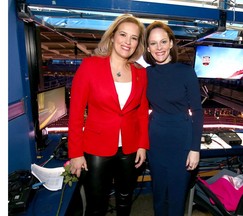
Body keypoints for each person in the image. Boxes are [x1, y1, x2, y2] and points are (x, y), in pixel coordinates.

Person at [68, 14, 149, 216]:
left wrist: (142, 144)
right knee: (97, 204)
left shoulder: (141, 72)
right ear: (112, 36)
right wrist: (76, 154)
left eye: (134, 37)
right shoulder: (90, 66)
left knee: (124, 198)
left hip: (129, 148)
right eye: (123, 35)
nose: (127, 42)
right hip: (96, 147)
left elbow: (141, 112)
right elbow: (76, 114)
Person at [143, 21, 204, 216]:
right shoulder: (145, 74)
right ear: (148, 47)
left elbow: (197, 111)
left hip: (182, 142)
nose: (158, 47)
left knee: (177, 199)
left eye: (163, 42)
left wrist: (195, 148)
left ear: (171, 43)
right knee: (159, 197)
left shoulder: (186, 72)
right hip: (156, 142)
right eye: (153, 43)